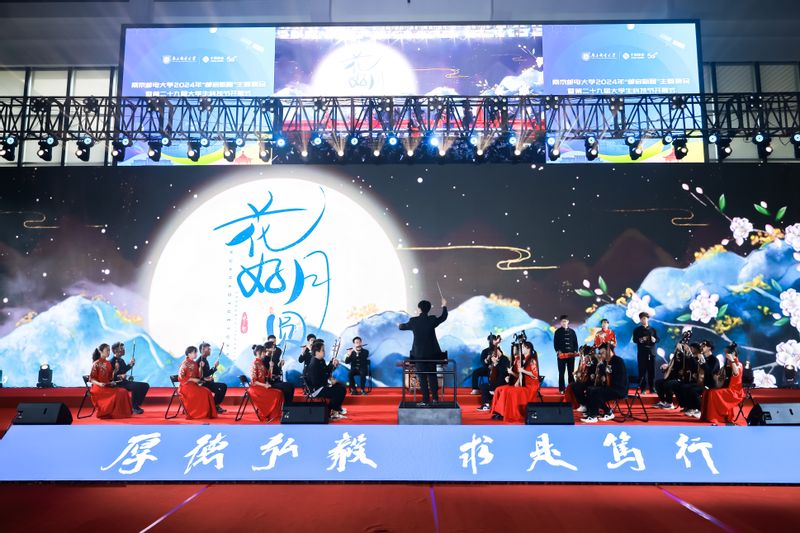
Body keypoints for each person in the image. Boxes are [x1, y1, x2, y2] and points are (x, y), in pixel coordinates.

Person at [398, 298, 448, 406]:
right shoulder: (432, 319)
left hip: (419, 355)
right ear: (429, 309)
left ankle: (425, 400)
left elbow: (402, 327)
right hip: (432, 355)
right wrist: (444, 306)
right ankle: (435, 399)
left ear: (419, 309)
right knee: (432, 376)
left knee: (422, 378)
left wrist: (398, 325)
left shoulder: (413, 321)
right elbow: (443, 317)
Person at [489, 341, 540, 422]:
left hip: (530, 386)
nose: (521, 349)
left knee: (510, 391)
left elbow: (535, 375)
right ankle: (498, 411)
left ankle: (506, 414)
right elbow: (520, 375)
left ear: (528, 349)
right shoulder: (523, 360)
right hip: (524, 383)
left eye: (523, 347)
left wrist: (523, 371)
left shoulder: (532, 360)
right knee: (499, 389)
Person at [581, 343, 628, 423]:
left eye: (602, 353)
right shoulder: (607, 361)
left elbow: (609, 372)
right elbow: (605, 374)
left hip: (619, 389)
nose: (601, 355)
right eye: (600, 353)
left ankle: (593, 416)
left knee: (597, 392)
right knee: (590, 390)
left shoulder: (618, 360)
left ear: (609, 351)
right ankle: (607, 412)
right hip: (610, 387)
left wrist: (601, 364)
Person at [675, 340, 721, 419]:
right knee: (684, 387)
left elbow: (710, 372)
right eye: (701, 346)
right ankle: (692, 408)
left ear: (709, 348)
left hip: (710, 384)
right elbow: (695, 367)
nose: (701, 347)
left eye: (704, 346)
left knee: (693, 390)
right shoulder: (702, 357)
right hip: (701, 382)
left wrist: (703, 362)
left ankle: (700, 410)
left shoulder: (714, 360)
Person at [701, 343, 744, 425]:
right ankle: (707, 416)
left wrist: (732, 360)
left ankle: (715, 417)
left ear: (733, 353)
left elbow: (736, 373)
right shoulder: (728, 363)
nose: (726, 354)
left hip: (734, 390)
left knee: (713, 393)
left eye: (727, 352)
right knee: (707, 392)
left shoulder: (738, 364)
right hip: (726, 387)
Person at [89, 343, 133, 419]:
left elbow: (110, 378)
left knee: (123, 391)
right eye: (107, 350)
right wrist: (99, 384)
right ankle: (109, 412)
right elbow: (91, 379)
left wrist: (115, 370)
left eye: (109, 350)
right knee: (118, 393)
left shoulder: (108, 363)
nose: (109, 352)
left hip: (107, 386)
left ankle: (121, 413)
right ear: (101, 351)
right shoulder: (96, 363)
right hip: (98, 388)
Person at [307, 340, 348, 420]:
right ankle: (329, 411)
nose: (324, 352)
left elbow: (326, 371)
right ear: (317, 352)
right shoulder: (314, 364)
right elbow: (316, 382)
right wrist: (330, 382)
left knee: (341, 387)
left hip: (322, 386)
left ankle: (334, 410)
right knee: (339, 391)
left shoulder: (320, 360)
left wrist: (332, 364)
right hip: (317, 389)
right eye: (323, 350)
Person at [653, 342, 697, 410]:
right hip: (673, 377)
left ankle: (669, 403)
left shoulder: (686, 357)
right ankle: (663, 401)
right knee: (658, 382)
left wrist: (682, 351)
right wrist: (667, 366)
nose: (676, 350)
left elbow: (686, 363)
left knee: (669, 383)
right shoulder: (676, 357)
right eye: (676, 348)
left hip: (680, 378)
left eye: (678, 349)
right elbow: (673, 366)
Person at [110, 341, 149, 415]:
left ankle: (136, 405)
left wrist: (131, 364)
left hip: (124, 382)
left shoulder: (121, 360)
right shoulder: (111, 362)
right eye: (121, 348)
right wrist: (119, 376)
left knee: (145, 385)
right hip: (118, 384)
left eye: (123, 348)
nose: (124, 349)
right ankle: (134, 407)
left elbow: (124, 370)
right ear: (115, 350)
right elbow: (110, 377)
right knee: (136, 387)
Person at [178, 346, 217, 419]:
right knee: (204, 392)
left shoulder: (194, 363)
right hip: (186, 387)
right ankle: (197, 413)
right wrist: (192, 379)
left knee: (207, 391)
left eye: (196, 352)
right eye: (194, 352)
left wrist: (200, 367)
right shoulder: (184, 364)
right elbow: (180, 377)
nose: (196, 354)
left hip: (193, 386)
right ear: (189, 354)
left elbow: (199, 376)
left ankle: (206, 413)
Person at [248, 345, 284, 422]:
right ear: (258, 353)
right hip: (256, 388)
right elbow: (254, 381)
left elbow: (268, 376)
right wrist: (265, 385)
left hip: (262, 386)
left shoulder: (260, 362)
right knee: (277, 393)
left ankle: (273, 414)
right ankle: (268, 413)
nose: (265, 354)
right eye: (264, 352)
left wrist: (271, 367)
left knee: (280, 392)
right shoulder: (254, 363)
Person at [476, 336, 510, 411]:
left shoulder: (504, 359)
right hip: (494, 383)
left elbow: (504, 372)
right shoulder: (493, 360)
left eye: (495, 353)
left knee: (492, 385)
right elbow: (491, 374)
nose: (494, 355)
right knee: (483, 386)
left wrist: (496, 364)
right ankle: (486, 404)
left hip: (502, 382)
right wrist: (492, 365)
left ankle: (493, 392)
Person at [632, 312, 659, 394]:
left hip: (652, 352)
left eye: (645, 318)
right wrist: (641, 339)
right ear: (640, 320)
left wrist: (654, 339)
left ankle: (652, 387)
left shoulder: (653, 329)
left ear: (648, 319)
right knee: (642, 371)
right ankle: (643, 388)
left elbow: (658, 339)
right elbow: (634, 340)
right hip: (642, 352)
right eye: (642, 318)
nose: (643, 320)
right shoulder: (637, 330)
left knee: (652, 371)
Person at [567, 344, 598, 413]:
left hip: (591, 381)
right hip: (584, 379)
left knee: (577, 386)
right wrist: (577, 372)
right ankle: (582, 404)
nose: (580, 354)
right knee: (573, 385)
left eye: (581, 352)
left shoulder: (594, 360)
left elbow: (593, 372)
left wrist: (587, 371)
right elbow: (580, 370)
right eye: (580, 352)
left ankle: (585, 404)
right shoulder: (582, 360)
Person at [198, 342, 227, 414]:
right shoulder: (200, 361)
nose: (210, 350)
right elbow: (199, 375)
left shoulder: (204, 359)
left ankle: (214, 406)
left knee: (220, 389)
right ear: (203, 350)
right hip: (203, 383)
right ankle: (214, 406)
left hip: (207, 382)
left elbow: (206, 373)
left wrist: (214, 368)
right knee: (223, 386)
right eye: (208, 349)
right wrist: (214, 368)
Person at [553, 315, 578, 394]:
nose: (564, 323)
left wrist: (575, 350)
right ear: (560, 322)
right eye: (563, 321)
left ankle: (572, 389)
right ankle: (562, 389)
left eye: (565, 321)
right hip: (561, 355)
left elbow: (575, 343)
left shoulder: (572, 332)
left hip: (571, 355)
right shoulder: (557, 332)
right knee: (561, 373)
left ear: (568, 322)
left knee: (571, 372)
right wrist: (558, 351)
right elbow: (555, 343)